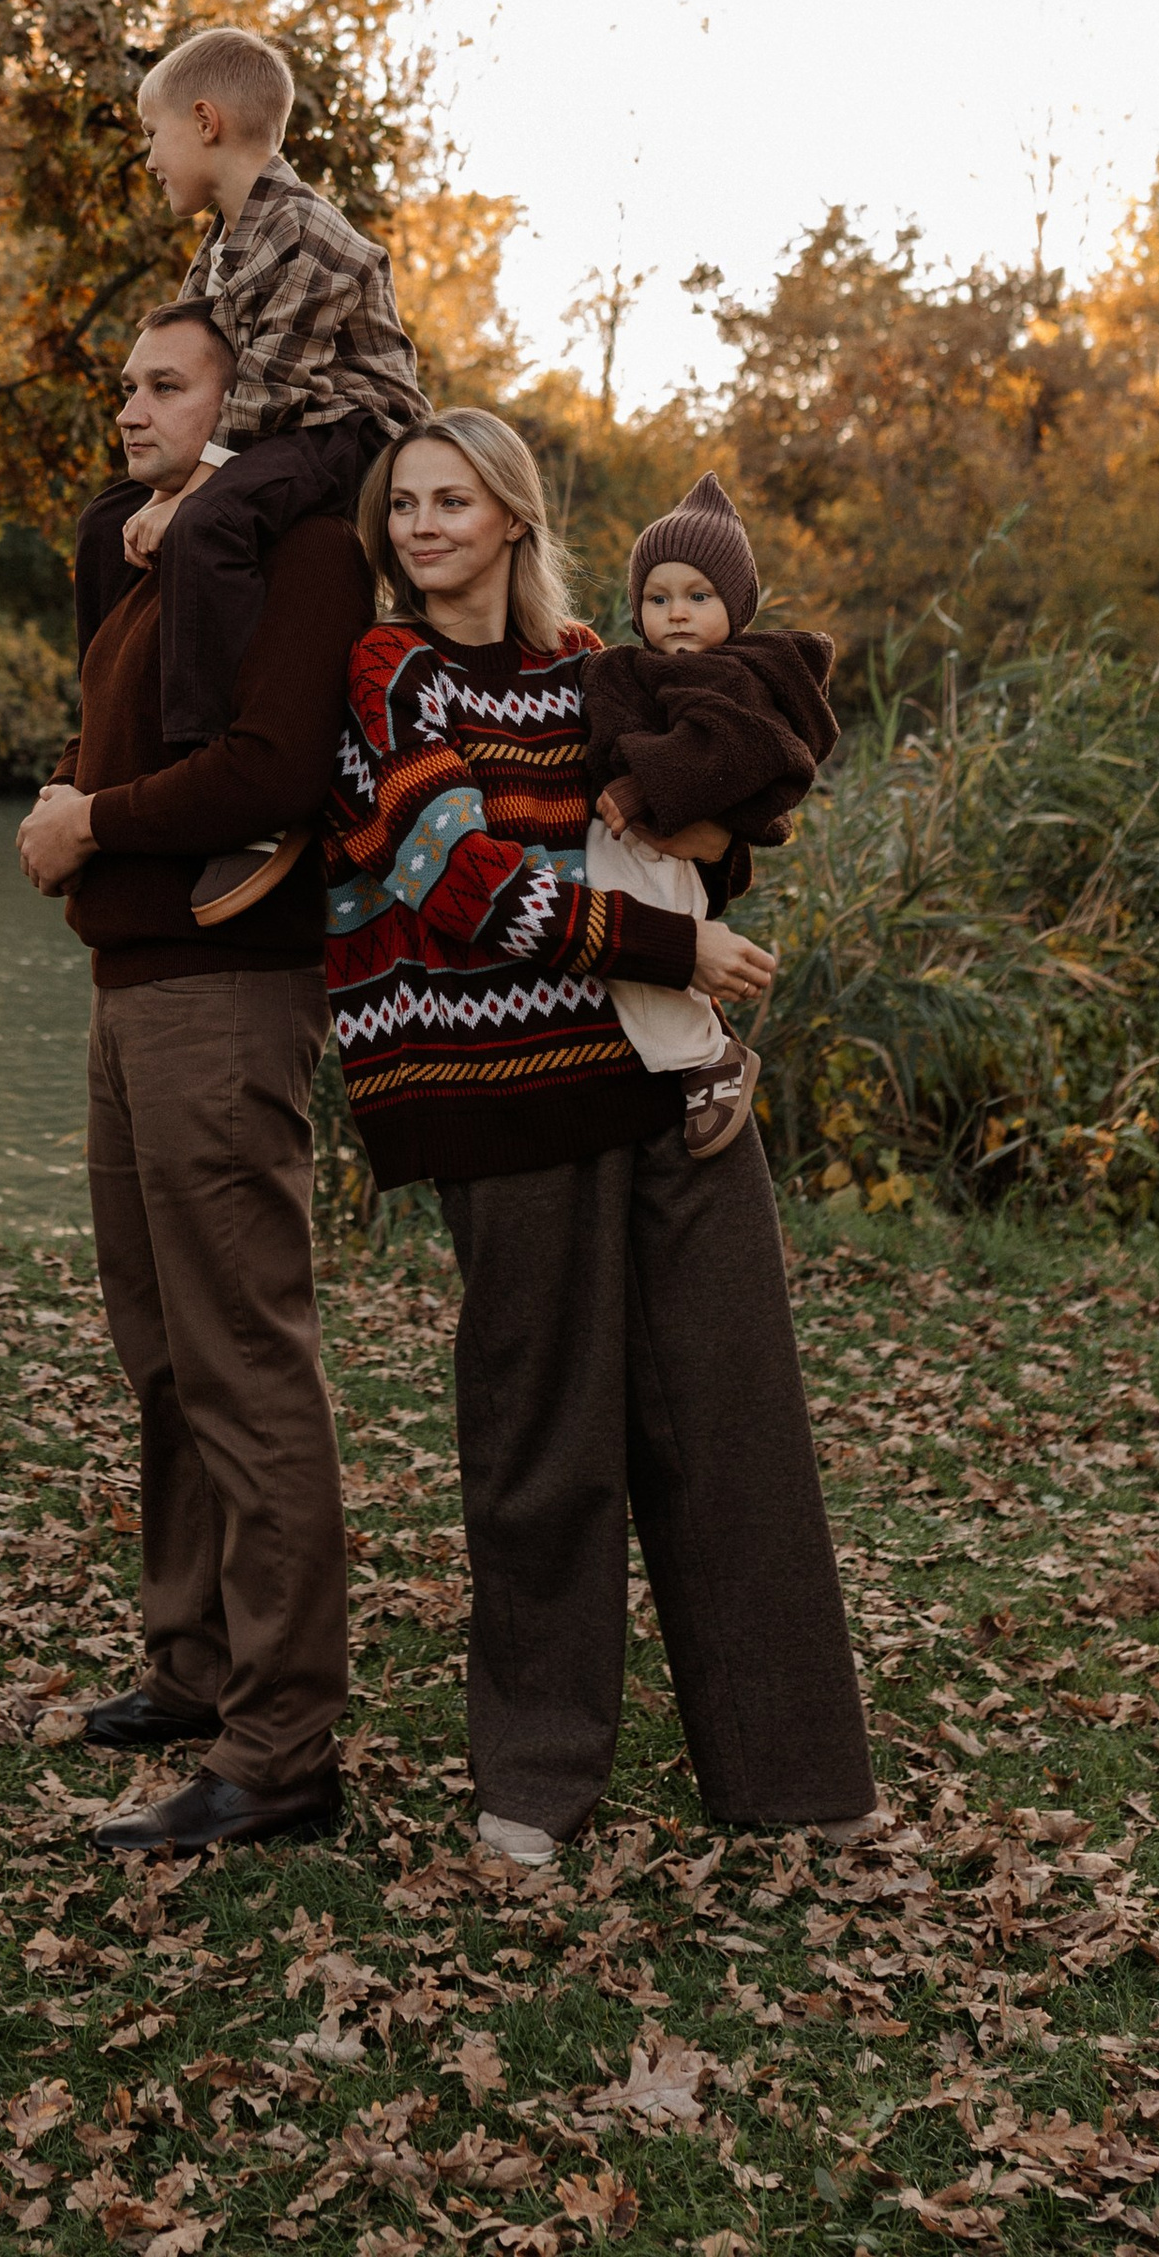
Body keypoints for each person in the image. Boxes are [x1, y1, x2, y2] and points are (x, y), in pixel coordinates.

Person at [324, 408, 878, 1866]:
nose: (421, 527)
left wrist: (719, 851)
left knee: (733, 1425)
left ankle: (790, 1778)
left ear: (513, 516)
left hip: (662, 1078)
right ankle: (537, 1787)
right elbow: (453, 878)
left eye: (452, 502)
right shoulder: (390, 672)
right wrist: (662, 942)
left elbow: (718, 789)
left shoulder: (592, 668)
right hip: (502, 1098)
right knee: (543, 1442)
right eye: (403, 508)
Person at [19, 302, 371, 1858]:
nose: (127, 408)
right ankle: (199, 1662)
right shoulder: (170, 549)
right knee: (159, 1348)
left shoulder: (301, 555)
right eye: (124, 385)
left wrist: (90, 824)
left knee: (243, 1360)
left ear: (251, 397)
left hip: (227, 990)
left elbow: (271, 775)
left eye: (166, 386)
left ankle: (284, 1746)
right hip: (132, 981)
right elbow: (106, 549)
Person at [73, 29, 424, 919]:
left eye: (153, 134)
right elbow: (206, 356)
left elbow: (266, 383)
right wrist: (155, 491)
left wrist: (187, 494)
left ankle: (214, 769)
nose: (148, 155)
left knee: (210, 524)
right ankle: (114, 735)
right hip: (272, 428)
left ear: (205, 120)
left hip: (347, 424)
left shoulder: (306, 227)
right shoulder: (222, 241)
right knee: (105, 517)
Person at [578, 471, 840, 1161]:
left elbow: (737, 748)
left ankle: (707, 1058)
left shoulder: (734, 676)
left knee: (647, 946)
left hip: (666, 852)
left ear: (737, 606)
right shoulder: (629, 668)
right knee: (621, 947)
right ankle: (692, 1058)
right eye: (658, 598)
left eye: (699, 596)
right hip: (627, 846)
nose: (679, 614)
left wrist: (643, 786)